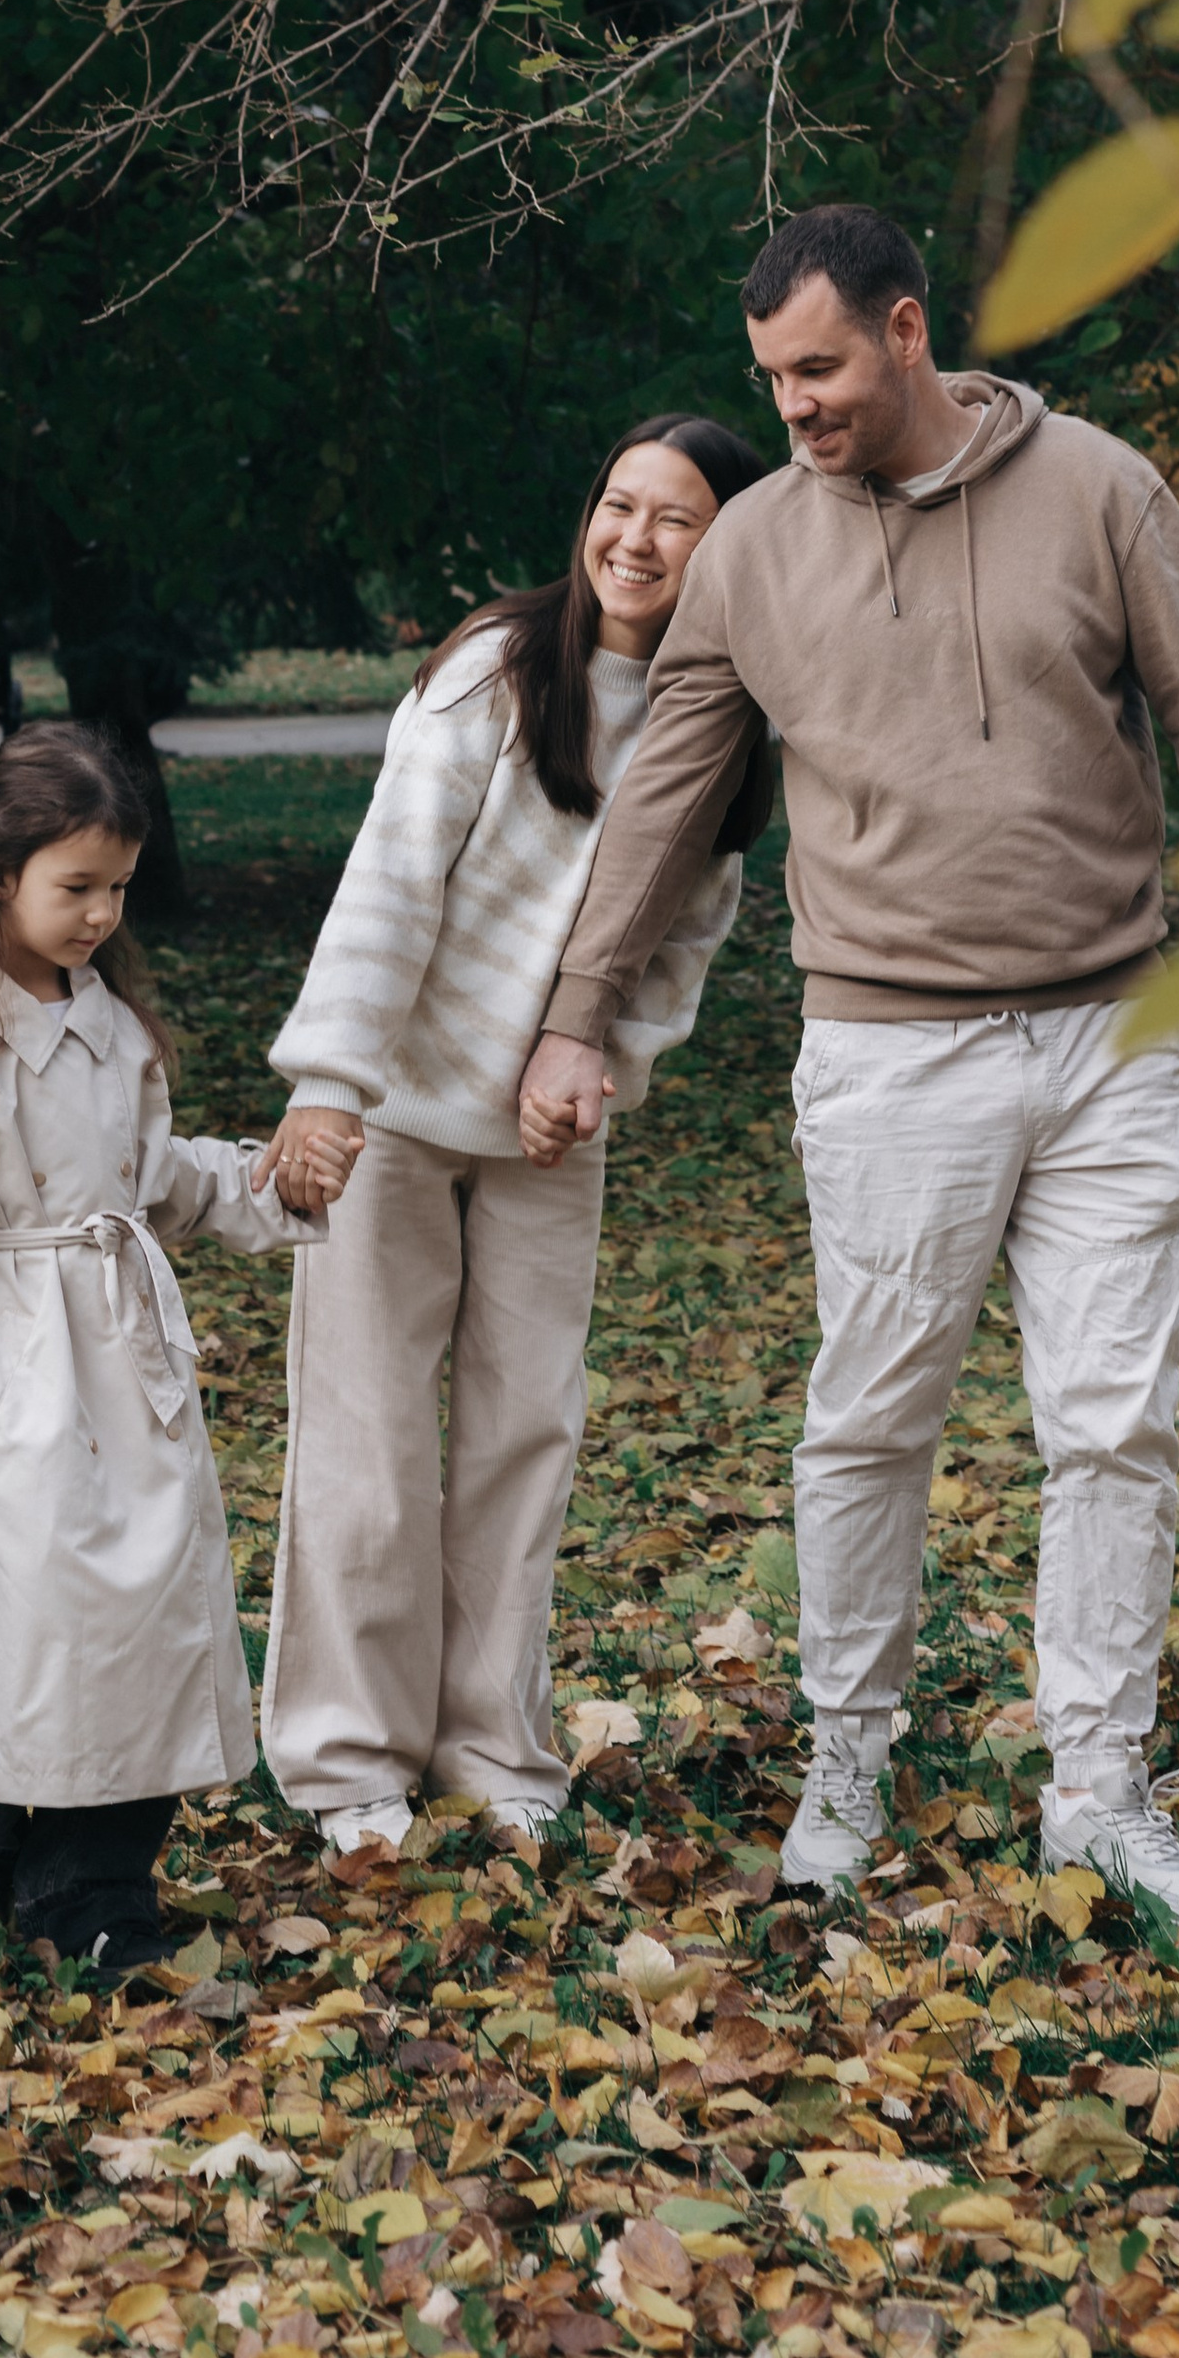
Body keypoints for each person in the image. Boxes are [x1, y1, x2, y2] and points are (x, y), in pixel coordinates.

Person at [519, 210, 1179, 1922]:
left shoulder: (1101, 491)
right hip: (889, 1052)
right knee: (869, 1424)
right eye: (772, 378)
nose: (796, 408)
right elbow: (668, 797)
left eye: (823, 370)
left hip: (1108, 1039)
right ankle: (848, 1763)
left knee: (1115, 1429)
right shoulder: (755, 548)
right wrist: (575, 1013)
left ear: (908, 332)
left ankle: (1102, 1793)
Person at [259, 413, 773, 1860]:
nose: (635, 539)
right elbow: (389, 881)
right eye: (620, 504)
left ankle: (491, 1742)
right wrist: (331, 1082)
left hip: (551, 1133)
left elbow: (685, 945)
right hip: (395, 1112)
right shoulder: (497, 668)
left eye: (678, 520)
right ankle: (348, 1759)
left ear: (730, 547)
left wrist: (604, 1065)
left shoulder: (724, 718)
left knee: (521, 1437)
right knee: (365, 1442)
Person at [0, 724, 351, 1978]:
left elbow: (152, 1182)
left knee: (146, 1616)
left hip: (131, 1362)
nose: (102, 915)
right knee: (32, 1619)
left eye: (118, 888)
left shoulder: (113, 1026)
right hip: (20, 1373)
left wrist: (274, 1179)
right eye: (75, 887)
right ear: (1, 873)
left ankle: (95, 1875)